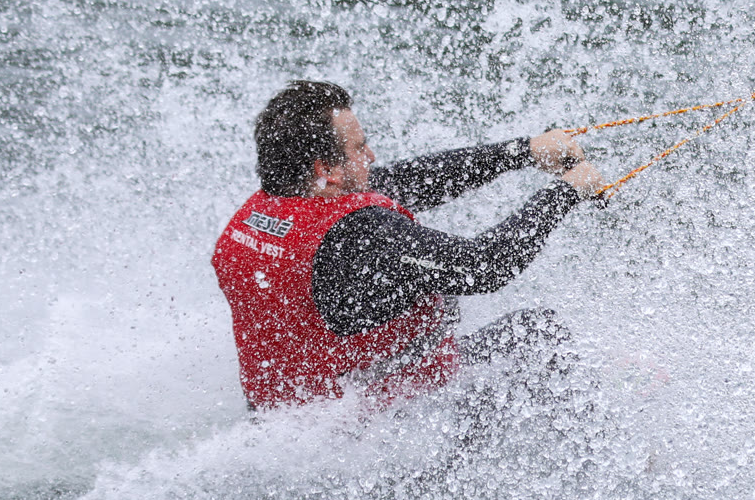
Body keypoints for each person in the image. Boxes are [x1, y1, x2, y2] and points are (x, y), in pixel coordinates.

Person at [212, 80, 605, 412]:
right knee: (536, 333)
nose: (371, 156)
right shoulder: (360, 233)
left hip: (292, 420)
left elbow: (414, 180)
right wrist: (566, 191)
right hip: (383, 429)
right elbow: (485, 265)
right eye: (359, 148)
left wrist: (525, 150)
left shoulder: (265, 211)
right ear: (325, 170)